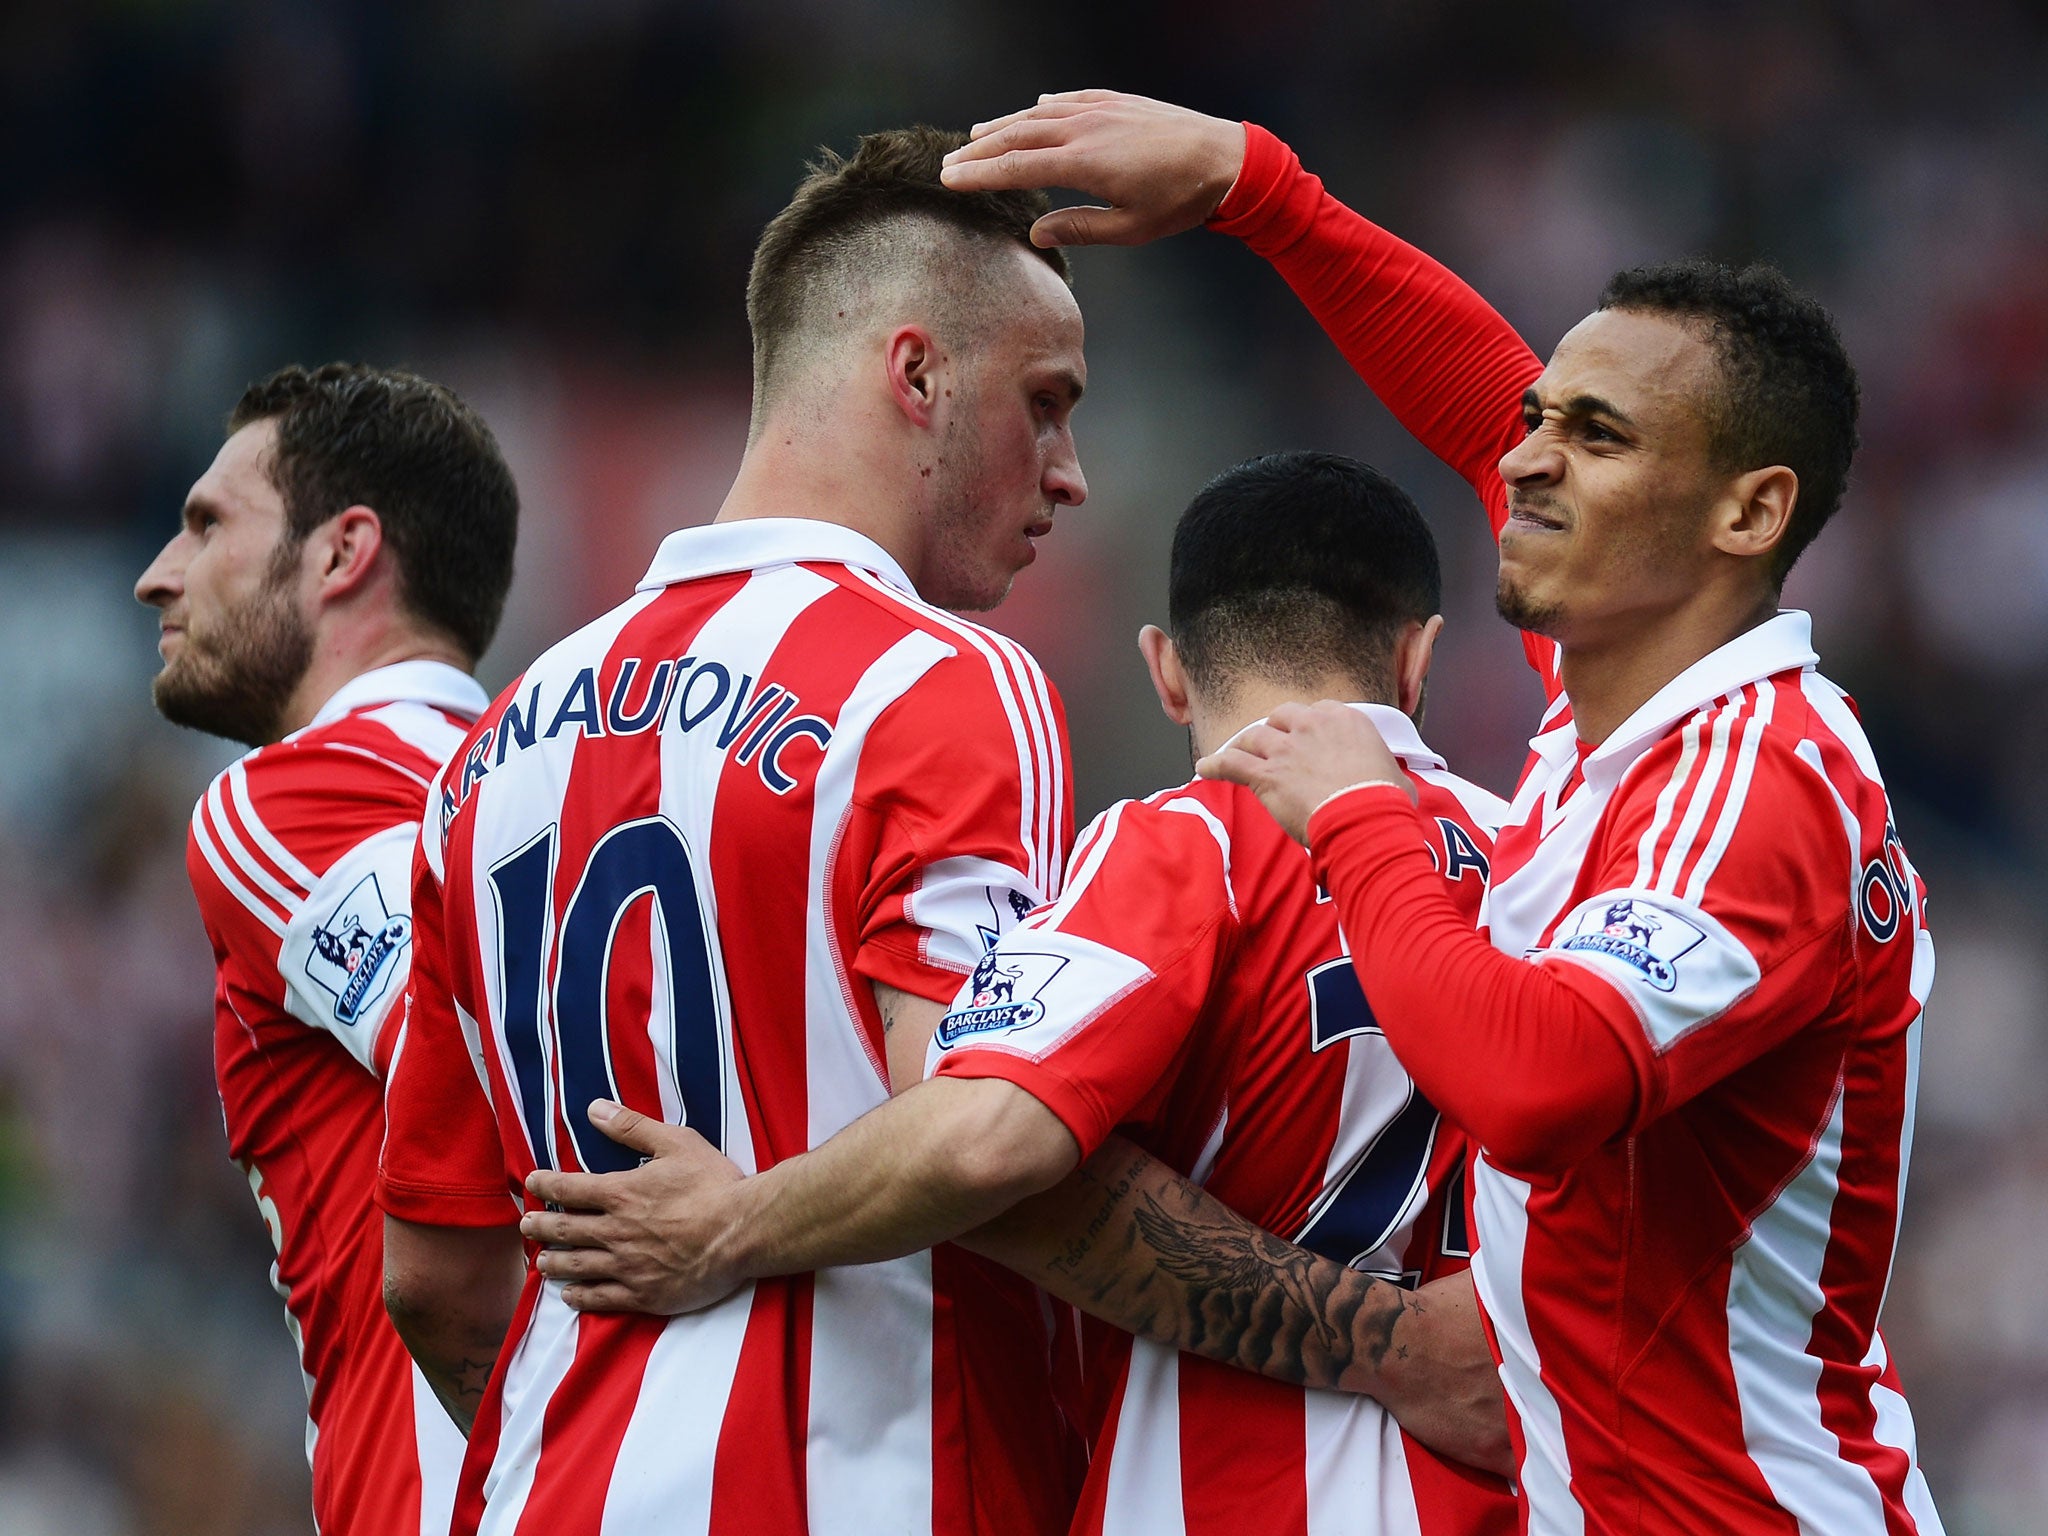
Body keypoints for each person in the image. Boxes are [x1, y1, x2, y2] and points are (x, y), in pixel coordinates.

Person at [945, 91, 1945, 1534]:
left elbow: (1537, 1084)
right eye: (1545, 423)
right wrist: (1257, 187)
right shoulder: (1616, 733)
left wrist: (1364, 815)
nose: (1531, 457)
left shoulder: (1762, 777)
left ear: (1746, 515)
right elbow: (1484, 406)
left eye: (1595, 436)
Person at [523, 449, 1521, 1536]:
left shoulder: (1184, 845)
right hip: (1519, 1488)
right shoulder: (1551, 861)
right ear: (1419, 659)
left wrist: (732, 1224)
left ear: (1167, 671)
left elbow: (984, 1145)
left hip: (1215, 1497)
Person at [374, 126, 1091, 1536]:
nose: (1069, 472)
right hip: (865, 1490)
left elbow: (433, 1275)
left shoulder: (492, 747)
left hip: (549, 1493)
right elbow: (981, 1133)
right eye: (1048, 402)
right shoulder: (942, 680)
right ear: (918, 372)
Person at [135, 363, 523, 1536]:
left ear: (342, 553)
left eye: (208, 525)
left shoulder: (287, 797)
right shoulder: (565, 788)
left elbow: (494, 1065)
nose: (160, 574)